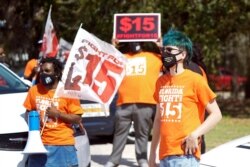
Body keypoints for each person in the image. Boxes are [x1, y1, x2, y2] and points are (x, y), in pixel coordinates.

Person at [149, 29, 222, 167]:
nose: (165, 53)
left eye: (170, 50)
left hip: (186, 155)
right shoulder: (160, 82)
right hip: (165, 155)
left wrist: (195, 135)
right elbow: (158, 119)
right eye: (164, 49)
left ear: (182, 54)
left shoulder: (196, 80)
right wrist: (152, 153)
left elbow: (216, 114)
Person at [104, 41, 162, 167]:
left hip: (146, 102)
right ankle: (114, 160)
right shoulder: (122, 57)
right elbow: (107, 62)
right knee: (120, 133)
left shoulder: (153, 56)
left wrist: (159, 44)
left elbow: (167, 60)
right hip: (124, 102)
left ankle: (142, 160)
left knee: (142, 133)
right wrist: (113, 45)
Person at [23, 57, 84, 167]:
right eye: (41, 71)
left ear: (56, 73)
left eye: (47, 71)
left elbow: (77, 118)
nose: (43, 74)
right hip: (39, 145)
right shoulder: (34, 90)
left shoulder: (68, 91)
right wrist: (34, 131)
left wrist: (58, 114)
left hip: (62, 146)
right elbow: (28, 112)